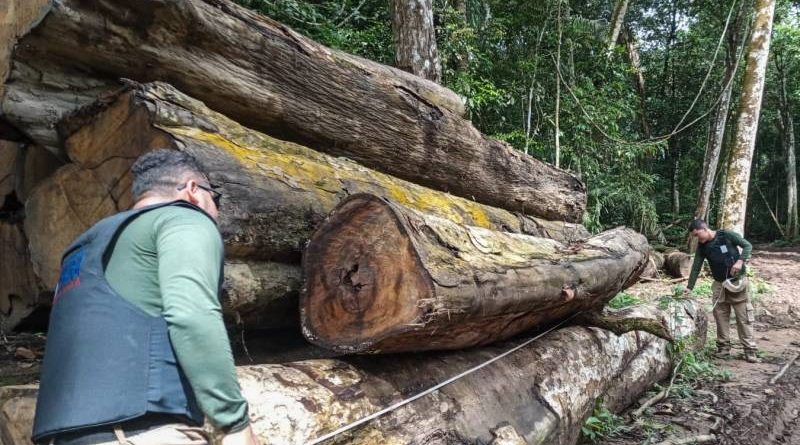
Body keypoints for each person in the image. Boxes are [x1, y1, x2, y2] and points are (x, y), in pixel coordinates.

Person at [32, 149, 260, 445]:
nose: (216, 212)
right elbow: (193, 314)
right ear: (192, 189)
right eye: (216, 200)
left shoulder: (86, 246)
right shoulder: (183, 219)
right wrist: (233, 422)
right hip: (142, 432)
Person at [684, 218, 759, 363]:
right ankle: (723, 348)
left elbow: (748, 245)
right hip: (720, 285)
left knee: (743, 318)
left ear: (705, 229)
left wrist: (740, 261)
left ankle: (750, 350)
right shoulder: (702, 246)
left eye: (697, 234)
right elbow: (696, 267)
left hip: (737, 283)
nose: (697, 238)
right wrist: (689, 288)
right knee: (720, 317)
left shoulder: (726, 235)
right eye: (694, 236)